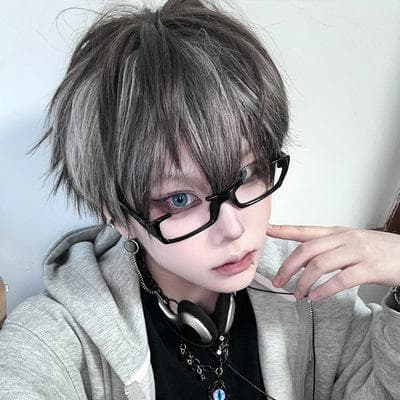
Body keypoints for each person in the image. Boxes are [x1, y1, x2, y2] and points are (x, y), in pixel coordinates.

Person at [0, 0, 399, 399]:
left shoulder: (312, 288)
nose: (234, 228)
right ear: (117, 215)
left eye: (245, 175)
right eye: (179, 199)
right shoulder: (60, 337)